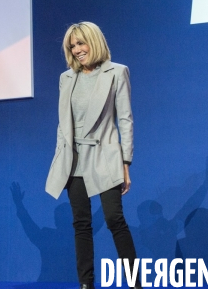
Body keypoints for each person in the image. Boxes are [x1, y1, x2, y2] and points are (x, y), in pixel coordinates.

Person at [45, 22, 141, 289]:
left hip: (105, 155)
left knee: (114, 219)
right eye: (72, 46)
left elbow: (125, 120)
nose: (76, 50)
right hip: (73, 159)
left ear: (94, 41)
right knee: (81, 224)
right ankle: (86, 284)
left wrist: (126, 163)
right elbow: (63, 123)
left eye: (80, 43)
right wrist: (60, 157)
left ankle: (136, 284)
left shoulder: (117, 72)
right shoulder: (66, 78)